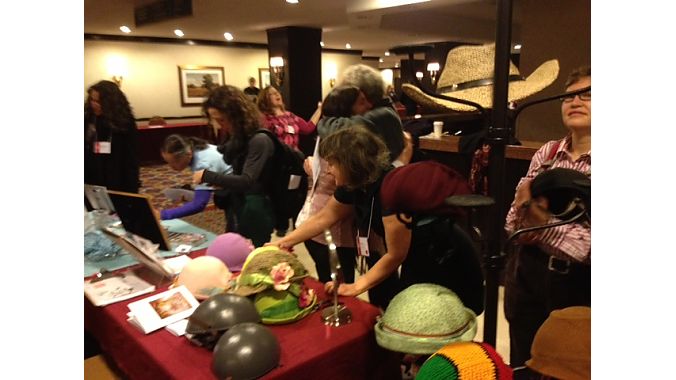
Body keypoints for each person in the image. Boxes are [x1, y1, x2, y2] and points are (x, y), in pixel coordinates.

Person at [272, 126, 484, 313]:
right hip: (419, 254)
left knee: (434, 318)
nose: (328, 169)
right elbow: (325, 217)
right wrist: (284, 242)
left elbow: (395, 254)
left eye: (333, 163)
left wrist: (357, 286)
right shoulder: (354, 184)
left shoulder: (390, 190)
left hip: (443, 256)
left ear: (351, 163)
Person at [503, 66, 591, 367]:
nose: (575, 101)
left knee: (568, 367)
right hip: (527, 274)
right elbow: (512, 222)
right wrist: (530, 220)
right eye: (569, 96)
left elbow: (589, 250)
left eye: (588, 94)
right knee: (523, 361)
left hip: (580, 287)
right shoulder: (547, 153)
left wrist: (541, 224)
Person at [192, 85, 276, 247]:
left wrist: (207, 175)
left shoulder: (259, 139)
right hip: (239, 203)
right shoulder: (238, 137)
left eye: (222, 120)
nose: (219, 125)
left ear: (238, 115)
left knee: (254, 254)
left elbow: (247, 180)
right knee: (236, 249)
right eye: (215, 120)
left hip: (256, 208)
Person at [298, 85, 362, 284]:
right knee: (338, 291)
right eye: (361, 103)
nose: (368, 107)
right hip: (332, 230)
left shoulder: (325, 135)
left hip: (312, 220)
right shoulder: (344, 142)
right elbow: (338, 181)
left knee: (329, 284)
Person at [256, 86, 321, 236]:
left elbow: (308, 128)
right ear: (266, 99)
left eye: (277, 92)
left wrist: (320, 109)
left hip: (295, 162)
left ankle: (297, 226)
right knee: (280, 195)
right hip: (279, 164)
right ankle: (281, 228)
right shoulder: (266, 118)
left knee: (298, 193)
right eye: (272, 94)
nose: (277, 95)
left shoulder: (290, 116)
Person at [157, 134, 233, 220]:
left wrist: (163, 214)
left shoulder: (202, 164)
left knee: (236, 228)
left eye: (174, 162)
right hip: (231, 184)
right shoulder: (195, 148)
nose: (171, 166)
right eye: (168, 162)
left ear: (188, 154)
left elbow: (199, 204)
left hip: (240, 190)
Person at [84, 80, 140, 193]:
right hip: (91, 175)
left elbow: (131, 159)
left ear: (110, 103)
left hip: (117, 178)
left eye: (99, 102)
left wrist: (132, 189)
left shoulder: (125, 123)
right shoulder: (88, 118)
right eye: (92, 100)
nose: (94, 104)